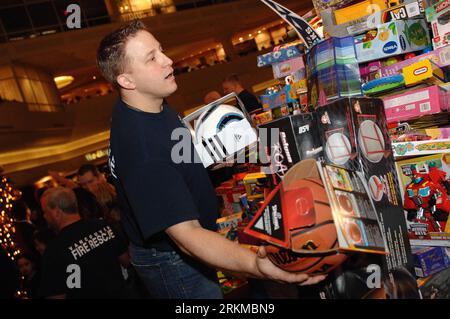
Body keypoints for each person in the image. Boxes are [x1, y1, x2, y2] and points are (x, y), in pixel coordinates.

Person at [96, 20, 325, 299]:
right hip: (174, 262)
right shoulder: (144, 151)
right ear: (126, 80)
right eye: (152, 58)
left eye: (161, 50)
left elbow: (176, 156)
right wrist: (256, 265)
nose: (168, 61)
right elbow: (188, 238)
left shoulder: (147, 102)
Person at [39, 187, 130, 299]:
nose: (44, 216)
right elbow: (127, 261)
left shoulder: (54, 250)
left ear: (57, 212)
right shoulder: (103, 226)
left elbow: (57, 296)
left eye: (45, 212)